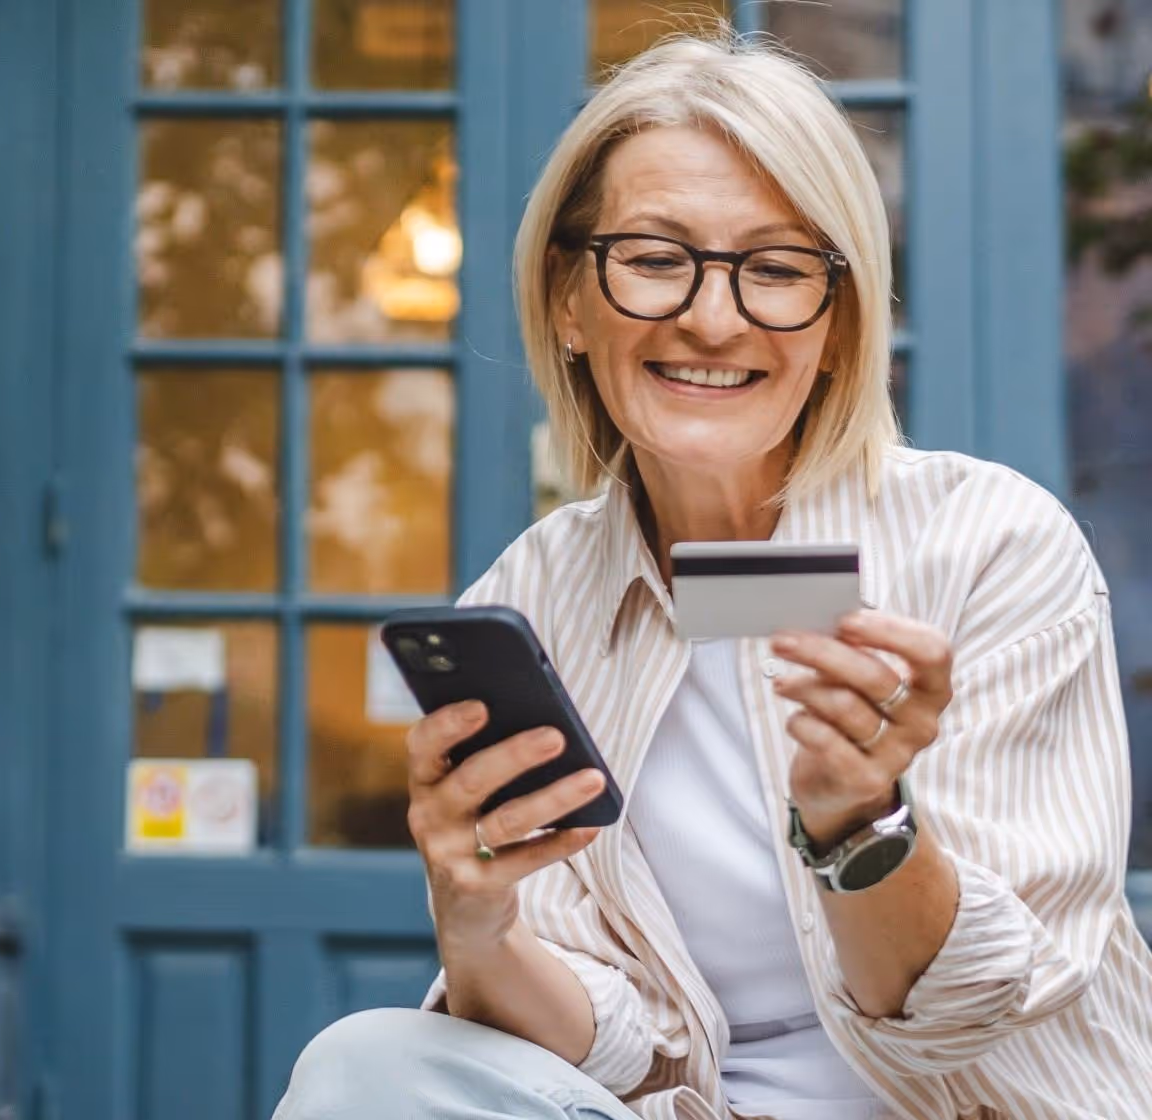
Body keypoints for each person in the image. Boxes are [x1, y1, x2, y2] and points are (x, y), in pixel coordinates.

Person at [272, 32, 1152, 1120]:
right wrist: (478, 918)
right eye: (653, 256)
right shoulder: (534, 596)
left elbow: (967, 1017)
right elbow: (615, 1047)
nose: (713, 316)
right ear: (568, 300)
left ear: (837, 326)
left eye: (777, 269)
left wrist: (858, 824)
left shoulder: (990, 546)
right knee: (368, 1062)